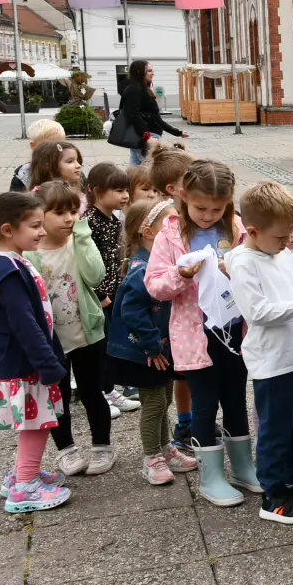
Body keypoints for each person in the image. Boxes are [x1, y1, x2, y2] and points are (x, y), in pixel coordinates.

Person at [145, 159, 255, 507]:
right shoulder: (170, 234)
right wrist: (183, 275)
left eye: (216, 209)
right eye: (200, 208)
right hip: (195, 334)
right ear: (183, 197)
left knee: (236, 398)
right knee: (205, 403)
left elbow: (255, 264)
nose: (207, 216)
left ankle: (242, 466)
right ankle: (212, 475)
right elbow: (154, 285)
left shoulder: (237, 228)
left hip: (234, 330)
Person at [227, 182, 293, 525]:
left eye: (289, 236)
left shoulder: (281, 254)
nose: (287, 243)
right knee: (275, 430)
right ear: (252, 230)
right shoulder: (242, 262)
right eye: (280, 237)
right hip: (271, 363)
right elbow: (258, 312)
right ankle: (273, 494)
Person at [0, 192, 71, 512]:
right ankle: (24, 487)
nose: (42, 231)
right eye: (35, 225)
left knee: (34, 420)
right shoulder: (7, 271)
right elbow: (24, 324)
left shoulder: (4, 261)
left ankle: (25, 474)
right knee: (38, 421)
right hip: (21, 361)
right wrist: (48, 364)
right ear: (8, 230)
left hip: (16, 358)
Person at [105, 198, 197, 486]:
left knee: (165, 396)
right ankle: (151, 458)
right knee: (155, 403)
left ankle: (165, 447)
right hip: (142, 351)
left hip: (158, 347)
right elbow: (130, 310)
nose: (176, 230)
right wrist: (152, 345)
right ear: (147, 233)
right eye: (168, 226)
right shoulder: (141, 269)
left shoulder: (159, 264)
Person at [27, 182, 114, 477]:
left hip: (87, 331)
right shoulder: (30, 253)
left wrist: (84, 235)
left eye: (72, 212)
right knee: (57, 397)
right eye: (59, 213)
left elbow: (95, 275)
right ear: (40, 216)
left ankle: (102, 446)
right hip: (51, 340)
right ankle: (66, 450)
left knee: (93, 392)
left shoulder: (77, 241)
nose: (68, 218)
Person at [147, 144, 195, 444]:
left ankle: (191, 420)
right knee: (182, 374)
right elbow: (155, 280)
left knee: (188, 375)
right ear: (173, 188)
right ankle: (186, 423)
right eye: (188, 179)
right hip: (175, 312)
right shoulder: (168, 223)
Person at [83, 163, 140, 414]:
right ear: (96, 190)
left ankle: (110, 390)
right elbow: (86, 263)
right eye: (118, 190)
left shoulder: (112, 218)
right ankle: (101, 392)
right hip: (99, 295)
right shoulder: (89, 222)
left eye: (126, 190)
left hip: (115, 289)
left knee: (111, 343)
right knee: (100, 347)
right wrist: (101, 294)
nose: (125, 196)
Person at [119, 59, 188, 165]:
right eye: (149, 71)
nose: (153, 73)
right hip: (145, 138)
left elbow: (156, 118)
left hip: (143, 138)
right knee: (149, 174)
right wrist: (148, 137)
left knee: (135, 173)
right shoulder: (135, 89)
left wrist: (177, 132)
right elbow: (133, 115)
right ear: (139, 72)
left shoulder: (142, 89)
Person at [29, 140, 86, 211]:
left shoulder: (77, 190)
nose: (78, 165)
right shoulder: (41, 196)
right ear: (48, 166)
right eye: (70, 161)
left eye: (77, 160)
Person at [10, 119, 67, 191]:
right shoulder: (24, 174)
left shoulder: (71, 168)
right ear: (33, 146)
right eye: (47, 145)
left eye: (60, 145)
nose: (54, 149)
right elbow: (15, 200)